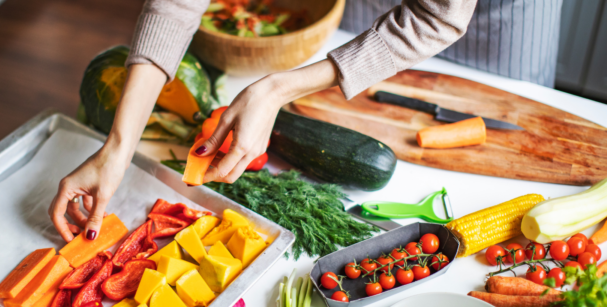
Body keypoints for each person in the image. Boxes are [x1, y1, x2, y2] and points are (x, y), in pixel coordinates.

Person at [49, 0, 558, 242]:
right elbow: (177, 5)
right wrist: (116, 149)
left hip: (499, 14)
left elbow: (438, 16)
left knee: (517, 99)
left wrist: (278, 87)